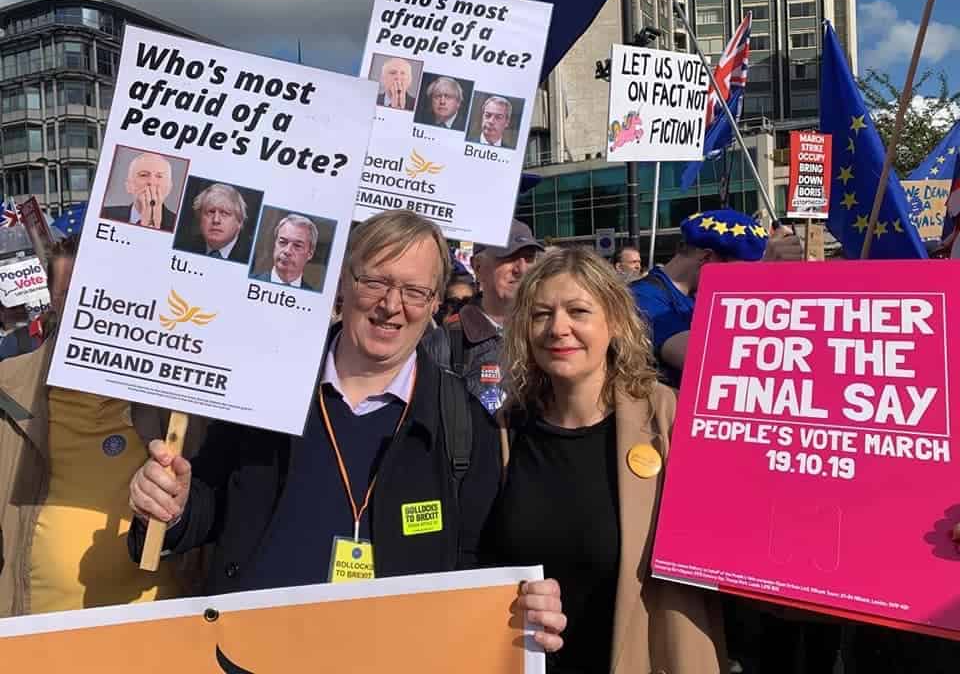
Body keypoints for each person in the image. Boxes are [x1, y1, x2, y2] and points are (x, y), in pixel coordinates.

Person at [127, 210, 566, 651]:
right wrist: (173, 505)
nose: (392, 306)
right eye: (375, 282)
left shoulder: (465, 422)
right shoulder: (264, 388)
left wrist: (525, 603)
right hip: (251, 654)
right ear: (343, 282)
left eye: (415, 291)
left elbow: (483, 569)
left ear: (436, 302)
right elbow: (208, 506)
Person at [482, 247, 725, 673]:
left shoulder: (668, 417)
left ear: (614, 322)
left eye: (578, 311)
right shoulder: (504, 431)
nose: (558, 328)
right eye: (542, 314)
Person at [0, 236, 206, 616]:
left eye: (100, 292)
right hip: (35, 635)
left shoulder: (176, 398)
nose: (88, 308)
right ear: (51, 300)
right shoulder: (9, 391)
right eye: (69, 293)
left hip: (153, 634)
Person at [630, 210, 803, 389]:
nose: (744, 281)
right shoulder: (642, 298)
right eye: (744, 273)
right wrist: (761, 282)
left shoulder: (701, 297)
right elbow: (706, 359)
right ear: (706, 258)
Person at [422, 219, 543, 415]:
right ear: (477, 267)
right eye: (509, 256)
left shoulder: (550, 334)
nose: (521, 269)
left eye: (529, 258)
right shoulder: (445, 343)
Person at [102, 152, 177, 231]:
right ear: (128, 186)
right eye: (143, 175)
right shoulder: (104, 214)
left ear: (169, 188)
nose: (151, 182)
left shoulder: (179, 225)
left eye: (159, 176)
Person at [182, 183, 252, 262]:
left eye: (224, 213)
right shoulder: (184, 247)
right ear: (200, 218)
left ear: (239, 221)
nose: (216, 220)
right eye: (211, 212)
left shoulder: (252, 257)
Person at [252, 214, 319, 290]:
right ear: (275, 244)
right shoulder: (251, 282)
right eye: (282, 242)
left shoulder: (312, 297)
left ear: (310, 254)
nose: (287, 251)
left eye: (297, 246)